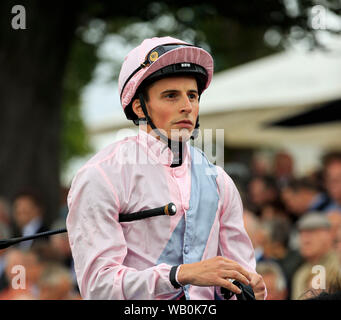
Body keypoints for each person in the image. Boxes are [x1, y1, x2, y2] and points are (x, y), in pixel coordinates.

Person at [66, 36, 266, 300]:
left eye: (192, 95)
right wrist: (178, 275)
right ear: (139, 107)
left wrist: (250, 287)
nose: (187, 106)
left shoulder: (219, 181)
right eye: (171, 96)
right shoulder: (100, 175)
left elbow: (239, 275)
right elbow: (99, 288)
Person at [291, 212, 340, 300]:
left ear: (328, 235)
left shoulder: (338, 265)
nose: (305, 239)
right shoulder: (300, 274)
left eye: (311, 232)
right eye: (301, 233)